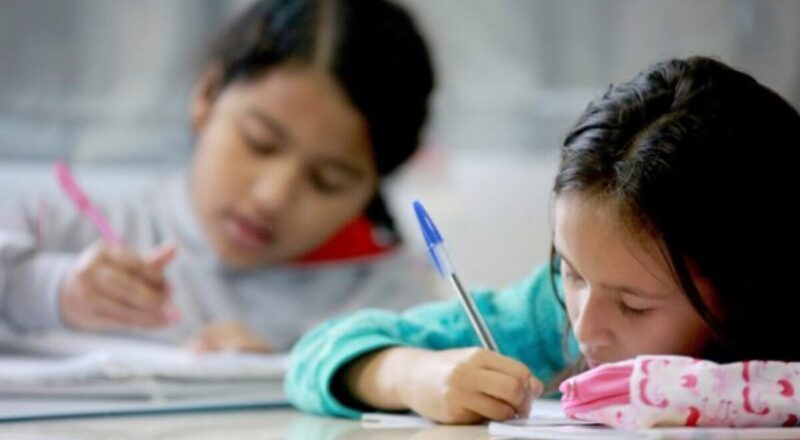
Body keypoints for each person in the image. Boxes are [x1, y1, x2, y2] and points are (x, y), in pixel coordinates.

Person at [285, 56, 800, 423]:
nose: (586, 326)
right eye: (572, 271)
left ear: (743, 293)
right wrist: (410, 375)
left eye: (633, 306)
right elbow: (317, 354)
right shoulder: (547, 316)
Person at [0, 0, 436, 353]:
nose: (272, 197)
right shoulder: (57, 215)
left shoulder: (387, 298)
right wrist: (48, 289)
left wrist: (295, 377)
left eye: (328, 181)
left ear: (373, 185)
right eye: (259, 143)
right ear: (206, 95)